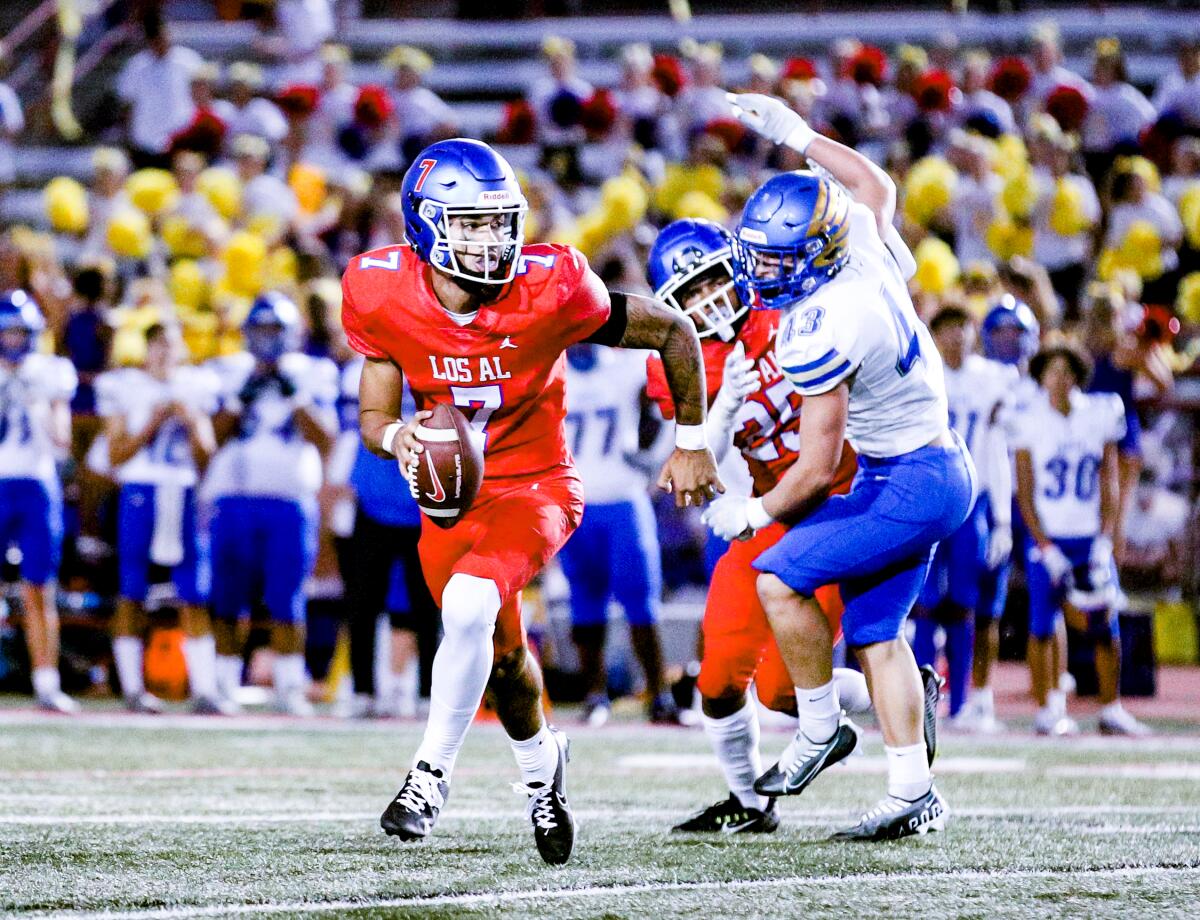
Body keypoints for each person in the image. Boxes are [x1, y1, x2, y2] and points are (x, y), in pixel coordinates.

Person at [340, 138, 719, 865]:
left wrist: (692, 439)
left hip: (538, 485)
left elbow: (673, 331)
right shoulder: (379, 289)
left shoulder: (551, 285)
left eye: (499, 221)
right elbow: (372, 419)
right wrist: (403, 441)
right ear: (424, 226)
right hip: (453, 499)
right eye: (471, 224)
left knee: (468, 608)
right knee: (506, 662)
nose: (493, 241)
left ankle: (428, 776)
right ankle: (544, 768)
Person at [704, 94, 975, 841]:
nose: (761, 270)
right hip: (932, 468)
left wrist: (751, 513)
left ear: (811, 258)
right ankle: (913, 792)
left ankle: (819, 727)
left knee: (777, 576)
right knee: (878, 635)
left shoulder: (830, 319)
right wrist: (797, 134)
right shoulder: (855, 242)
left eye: (776, 259)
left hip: (909, 481)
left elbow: (818, 467)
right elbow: (874, 189)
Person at [646, 218, 932, 835]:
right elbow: (701, 472)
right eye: (688, 296)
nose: (706, 301)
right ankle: (749, 802)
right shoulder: (679, 360)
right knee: (717, 679)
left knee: (782, 691)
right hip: (772, 509)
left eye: (713, 280)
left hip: (838, 501)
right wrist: (717, 412)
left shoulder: (796, 312)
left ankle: (904, 698)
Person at [204, 293, 338, 715]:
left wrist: (295, 396)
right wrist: (239, 399)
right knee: (227, 598)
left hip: (289, 502)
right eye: (260, 330)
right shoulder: (228, 372)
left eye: (275, 330)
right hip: (234, 500)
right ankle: (224, 683)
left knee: (288, 597)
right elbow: (210, 440)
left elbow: (326, 439)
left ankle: (288, 686)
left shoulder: (313, 372)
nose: (267, 339)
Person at [1012, 341, 1149, 737]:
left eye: (1067, 371)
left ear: (1078, 375)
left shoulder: (1099, 414)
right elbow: (1026, 489)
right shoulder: (1029, 418)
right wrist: (1044, 544)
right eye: (1052, 371)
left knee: (1105, 623)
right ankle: (1049, 707)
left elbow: (1109, 479)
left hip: (1088, 536)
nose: (1060, 379)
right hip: (1049, 536)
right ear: (1041, 377)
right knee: (1042, 624)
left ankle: (1111, 708)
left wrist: (1107, 536)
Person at [97, 324, 226, 714]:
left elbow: (207, 455)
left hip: (183, 491)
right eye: (157, 346)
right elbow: (116, 455)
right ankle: (134, 689)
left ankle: (205, 689)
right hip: (141, 491)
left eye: (171, 346)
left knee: (194, 590)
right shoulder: (125, 386)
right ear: (147, 349)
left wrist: (191, 420)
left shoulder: (195, 386)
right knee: (131, 588)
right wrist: (152, 423)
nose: (164, 354)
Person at [560, 343, 680, 727]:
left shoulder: (627, 367)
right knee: (584, 604)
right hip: (574, 503)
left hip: (623, 499)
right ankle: (595, 695)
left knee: (642, 602)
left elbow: (672, 392)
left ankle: (659, 694)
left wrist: (655, 455)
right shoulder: (550, 368)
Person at [914, 307, 1015, 728]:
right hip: (925, 497)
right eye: (947, 329)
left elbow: (998, 448)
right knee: (921, 604)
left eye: (962, 327)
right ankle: (918, 703)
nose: (956, 337)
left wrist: (1004, 519)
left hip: (972, 500)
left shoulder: (993, 378)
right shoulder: (919, 369)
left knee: (964, 605)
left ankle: (961, 705)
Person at [0, 291, 77, 713]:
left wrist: (39, 407)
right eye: (8, 332)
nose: (14, 341)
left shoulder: (50, 373)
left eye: (21, 333)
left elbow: (63, 443)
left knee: (39, 587)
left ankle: (46, 683)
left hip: (36, 483)